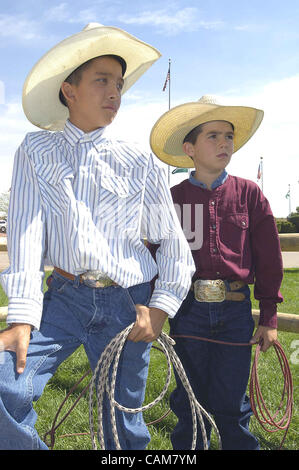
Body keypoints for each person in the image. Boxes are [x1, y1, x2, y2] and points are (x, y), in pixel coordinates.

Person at [0, 23, 195, 450]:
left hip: (127, 300)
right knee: (5, 385)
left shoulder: (138, 159)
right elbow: (27, 234)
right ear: (69, 89)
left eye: (119, 84)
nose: (114, 93)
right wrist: (21, 317)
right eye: (101, 80)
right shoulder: (35, 151)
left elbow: (173, 240)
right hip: (63, 297)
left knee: (120, 424)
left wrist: (160, 308)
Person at [149, 95, 283, 450]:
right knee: (189, 400)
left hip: (235, 310)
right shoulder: (171, 199)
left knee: (232, 402)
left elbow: (270, 258)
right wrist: (152, 308)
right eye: (213, 136)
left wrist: (268, 316)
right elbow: (153, 256)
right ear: (189, 148)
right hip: (187, 310)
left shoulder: (249, 194)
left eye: (229, 136)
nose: (224, 142)